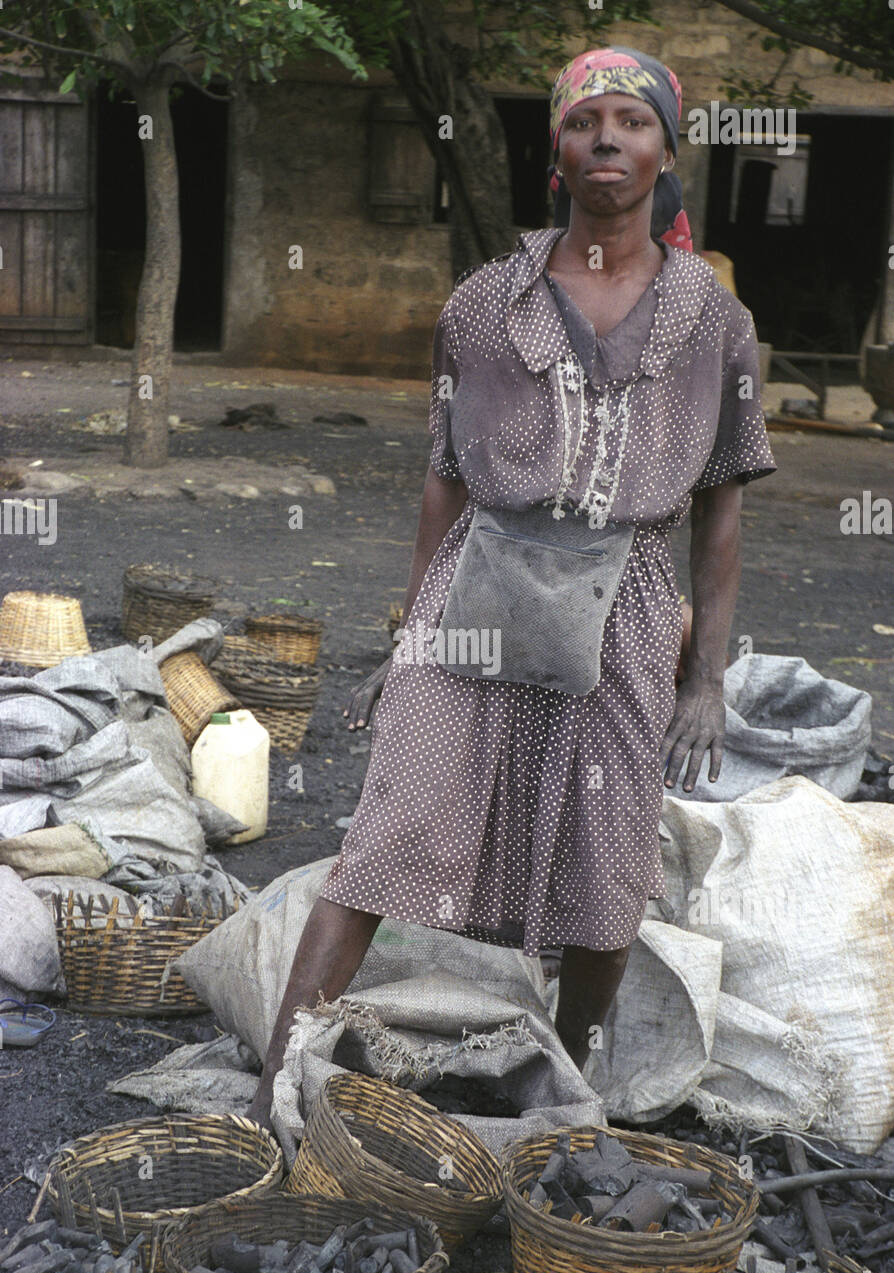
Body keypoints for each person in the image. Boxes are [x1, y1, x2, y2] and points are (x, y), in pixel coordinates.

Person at [246, 45, 777, 1130]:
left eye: (633, 122)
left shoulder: (714, 325)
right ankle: (276, 1088)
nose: (609, 142)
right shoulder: (488, 303)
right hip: (475, 593)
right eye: (586, 124)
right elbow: (443, 480)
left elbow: (722, 507)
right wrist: (410, 640)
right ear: (558, 152)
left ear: (666, 150)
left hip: (626, 602)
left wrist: (706, 677)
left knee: (608, 860)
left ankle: (563, 1078)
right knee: (389, 829)